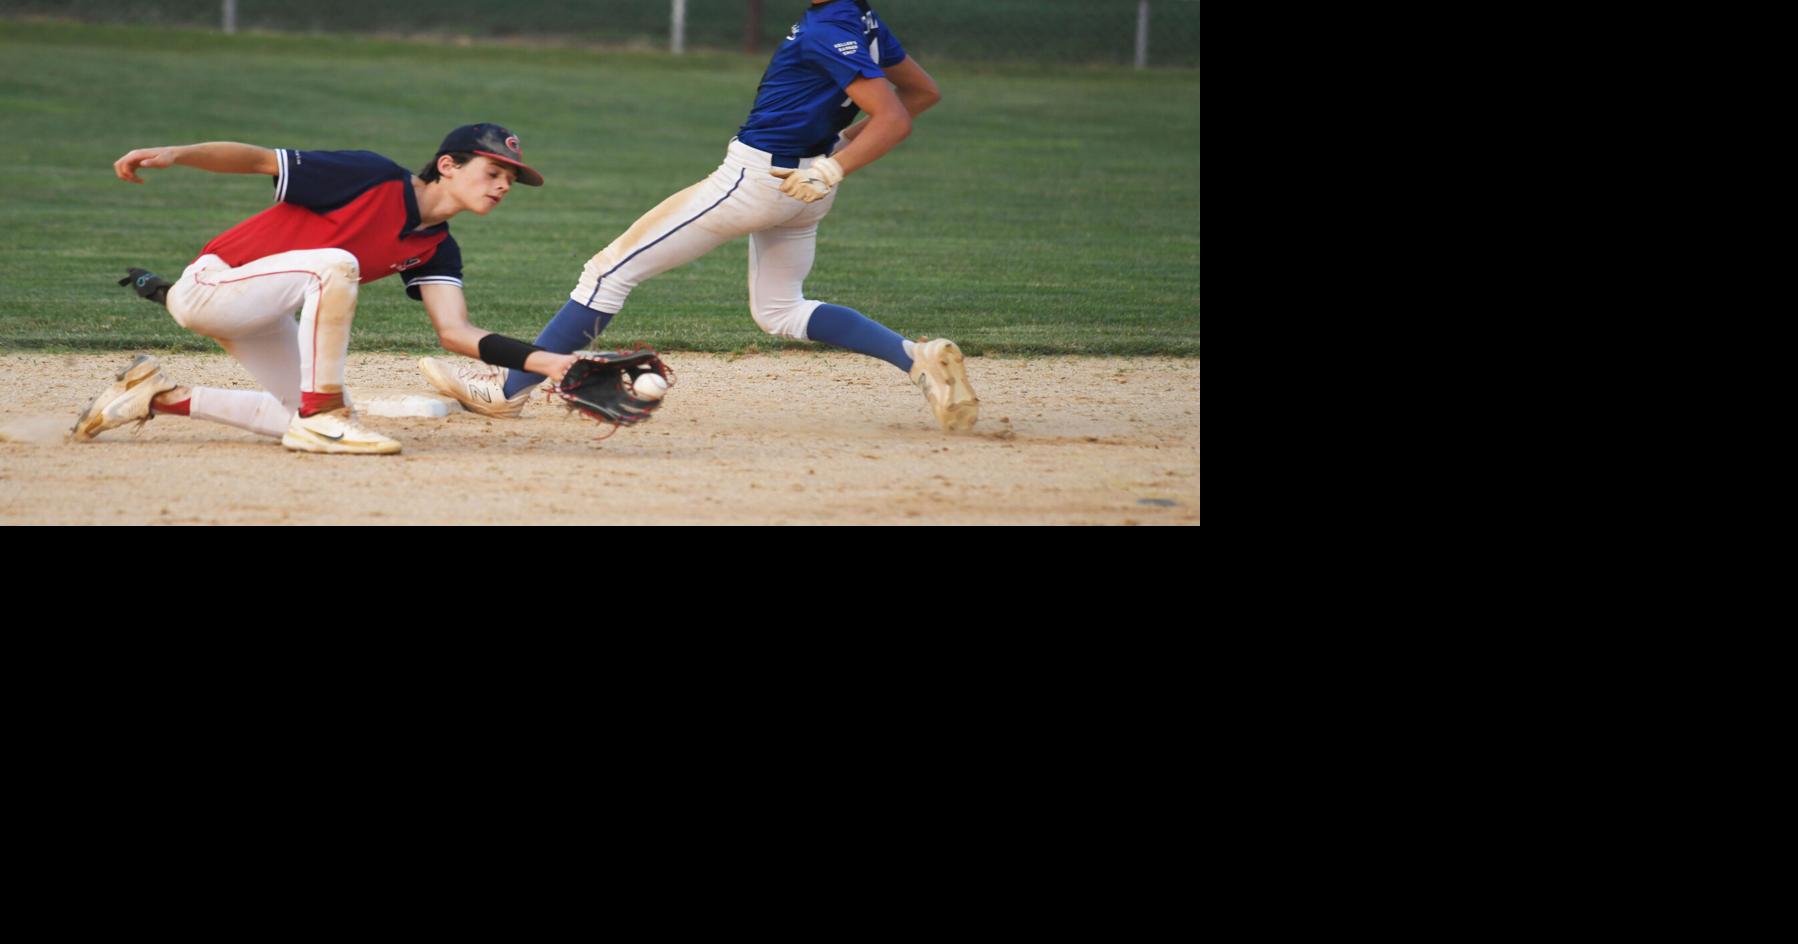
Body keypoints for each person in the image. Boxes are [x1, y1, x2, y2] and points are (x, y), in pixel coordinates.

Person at [420, 0, 978, 431]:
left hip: (757, 180)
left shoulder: (827, 28)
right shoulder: (860, 18)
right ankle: (915, 358)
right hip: (802, 184)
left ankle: (508, 392)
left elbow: (896, 116)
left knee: (608, 272)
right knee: (781, 309)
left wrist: (833, 166)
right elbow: (921, 93)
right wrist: (829, 158)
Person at [75, 124, 584, 454]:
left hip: (262, 312)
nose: (502, 185)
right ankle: (322, 414)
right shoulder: (373, 176)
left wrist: (554, 364)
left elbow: (455, 331)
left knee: (298, 416)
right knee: (337, 265)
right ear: (448, 165)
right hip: (212, 285)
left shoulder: (437, 247)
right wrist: (177, 153)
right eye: (493, 171)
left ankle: (155, 396)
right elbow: (259, 160)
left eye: (509, 180)